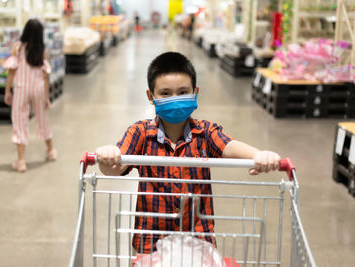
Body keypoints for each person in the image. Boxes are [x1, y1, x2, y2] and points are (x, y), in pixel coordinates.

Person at [95, 52, 280, 253]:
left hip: (198, 239)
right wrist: (108, 156)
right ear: (151, 96)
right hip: (151, 241)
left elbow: (229, 146)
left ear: (195, 92)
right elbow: (116, 165)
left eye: (183, 92)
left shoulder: (205, 132)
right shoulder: (140, 133)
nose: (175, 99)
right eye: (165, 93)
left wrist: (258, 155)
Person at [3, 19, 57, 172]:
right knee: (42, 118)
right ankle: (51, 151)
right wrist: (47, 97)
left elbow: (12, 70)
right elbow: (45, 76)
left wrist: (7, 90)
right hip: (38, 89)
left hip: (21, 89)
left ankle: (21, 161)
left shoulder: (18, 48)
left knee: (20, 121)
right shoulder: (42, 50)